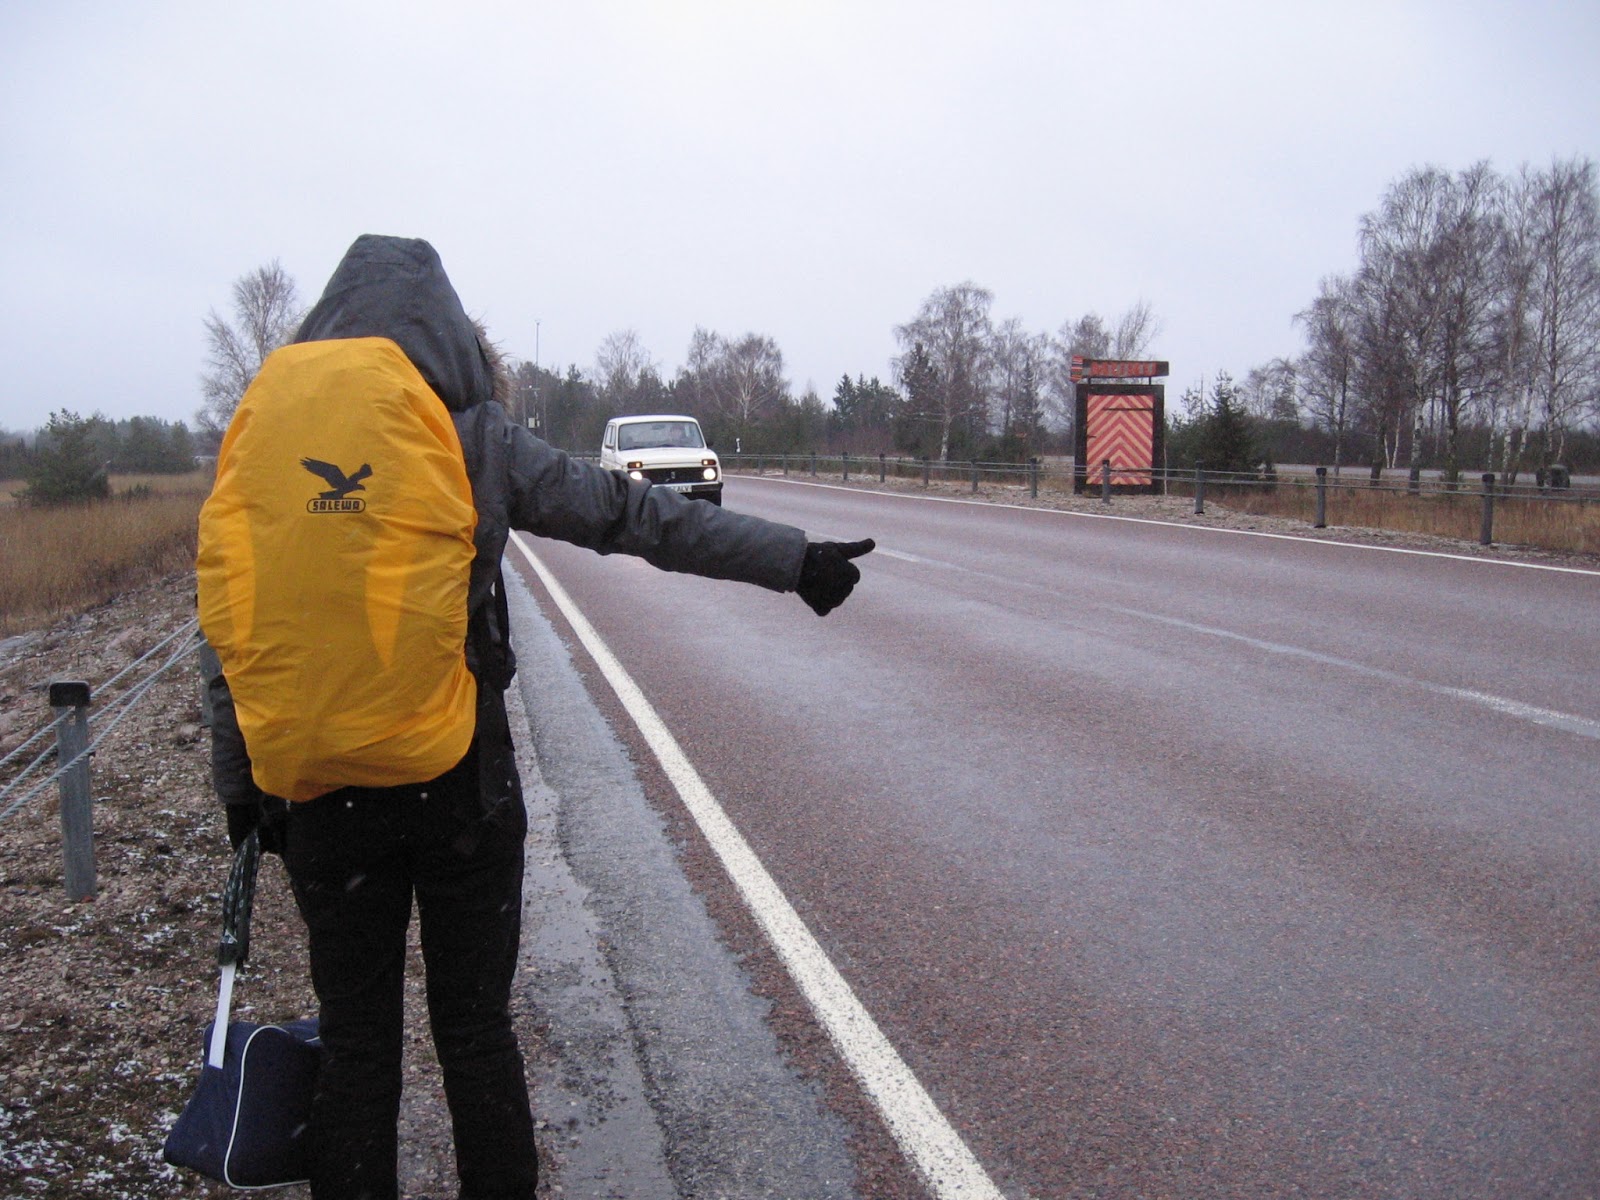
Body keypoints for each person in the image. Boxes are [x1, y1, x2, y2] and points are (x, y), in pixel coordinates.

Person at [204, 234, 874, 1200]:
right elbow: (634, 516)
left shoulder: (262, 437)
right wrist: (792, 558)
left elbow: (224, 617)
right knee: (474, 1033)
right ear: (447, 336)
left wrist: (244, 788)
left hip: (319, 797)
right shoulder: (472, 435)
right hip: (458, 784)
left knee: (356, 1042)